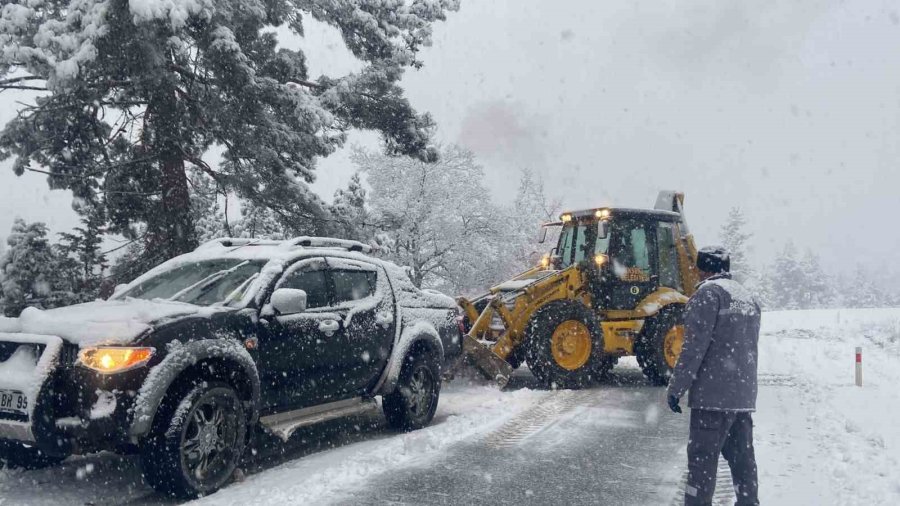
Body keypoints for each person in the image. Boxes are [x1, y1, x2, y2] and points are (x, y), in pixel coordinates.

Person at [666, 246, 761, 506]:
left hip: (712, 399)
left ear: (702, 268)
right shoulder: (747, 296)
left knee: (702, 463)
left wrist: (676, 388)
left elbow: (693, 348)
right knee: (743, 460)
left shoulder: (708, 295)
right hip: (742, 397)